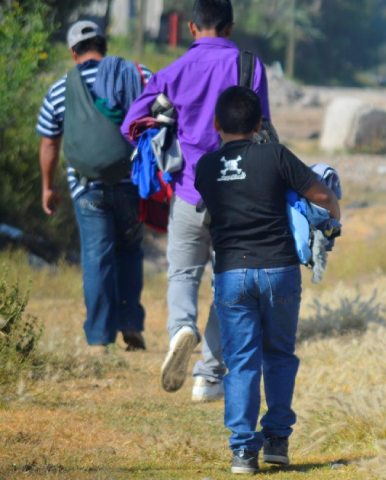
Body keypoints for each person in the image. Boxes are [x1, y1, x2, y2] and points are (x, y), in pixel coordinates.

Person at [122, 0, 272, 401]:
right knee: (229, 284)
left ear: (190, 28)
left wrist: (167, 124)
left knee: (183, 274)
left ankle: (180, 330)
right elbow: (264, 129)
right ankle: (208, 375)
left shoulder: (174, 72)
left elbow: (131, 124)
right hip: (238, 200)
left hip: (189, 192)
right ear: (230, 27)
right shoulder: (249, 66)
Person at [194, 86, 340, 474]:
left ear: (216, 124)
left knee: (241, 362)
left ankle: (243, 452)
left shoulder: (205, 167)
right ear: (260, 123)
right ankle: (276, 441)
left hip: (231, 274)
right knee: (279, 355)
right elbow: (322, 196)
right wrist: (334, 220)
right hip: (279, 270)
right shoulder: (275, 155)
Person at [37, 20, 151, 354]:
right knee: (130, 250)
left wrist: (47, 187)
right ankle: (129, 322)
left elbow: (49, 143)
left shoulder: (60, 88)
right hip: (131, 182)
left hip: (87, 187)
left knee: (97, 257)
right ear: (104, 45)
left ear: (73, 53)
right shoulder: (135, 73)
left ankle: (99, 338)